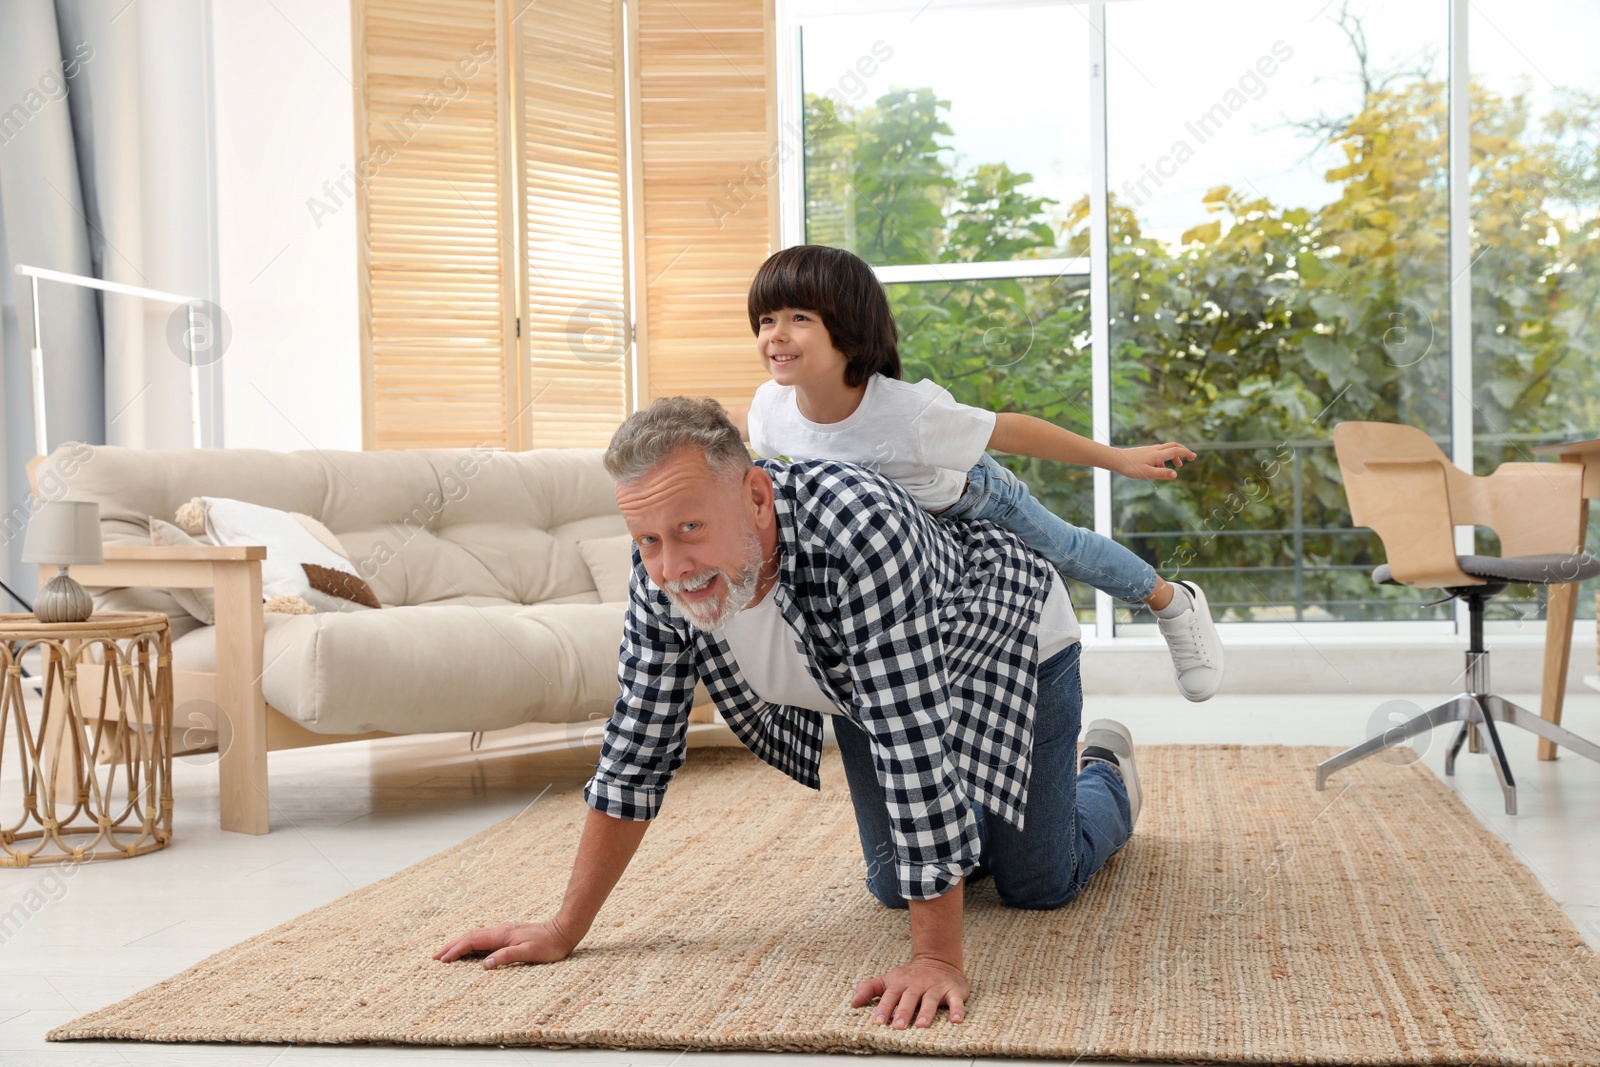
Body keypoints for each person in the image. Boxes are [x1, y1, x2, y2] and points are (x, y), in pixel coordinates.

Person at [435, 396, 1140, 1030]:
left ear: (757, 495)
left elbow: (912, 745)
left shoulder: (860, 529)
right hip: (870, 683)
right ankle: (985, 816)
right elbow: (637, 748)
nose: (671, 565)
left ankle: (1105, 771)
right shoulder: (661, 569)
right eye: (648, 539)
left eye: (688, 527)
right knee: (899, 881)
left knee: (1037, 883)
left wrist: (938, 959)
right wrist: (564, 926)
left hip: (1009, 640)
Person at [729, 244, 1224, 701]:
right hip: (900, 533)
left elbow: (1008, 430)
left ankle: (1173, 603)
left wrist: (1117, 458)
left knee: (1066, 549)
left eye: (799, 317)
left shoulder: (908, 411)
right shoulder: (770, 410)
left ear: (850, 331)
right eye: (766, 319)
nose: (776, 334)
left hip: (974, 495)